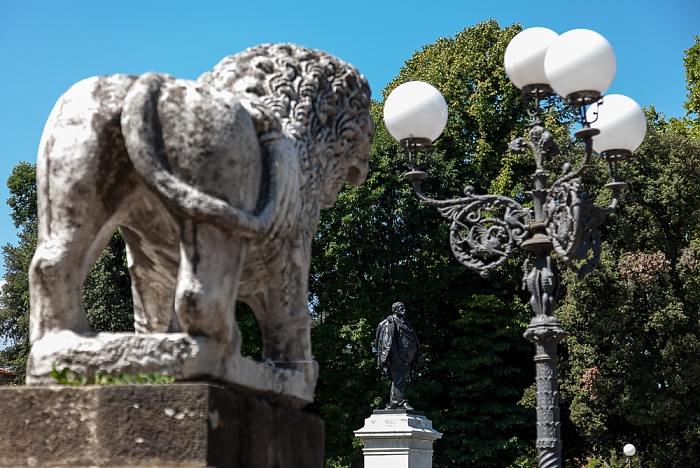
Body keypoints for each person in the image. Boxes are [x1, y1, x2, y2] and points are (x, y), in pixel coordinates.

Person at [375, 302, 422, 410]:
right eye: (401, 308)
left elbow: (413, 338)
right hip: (398, 356)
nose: (404, 310)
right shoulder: (391, 323)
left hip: (408, 356)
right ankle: (402, 402)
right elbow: (390, 342)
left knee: (399, 379)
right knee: (400, 379)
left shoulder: (406, 323)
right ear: (395, 310)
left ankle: (394, 403)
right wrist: (396, 357)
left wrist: (417, 352)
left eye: (404, 308)